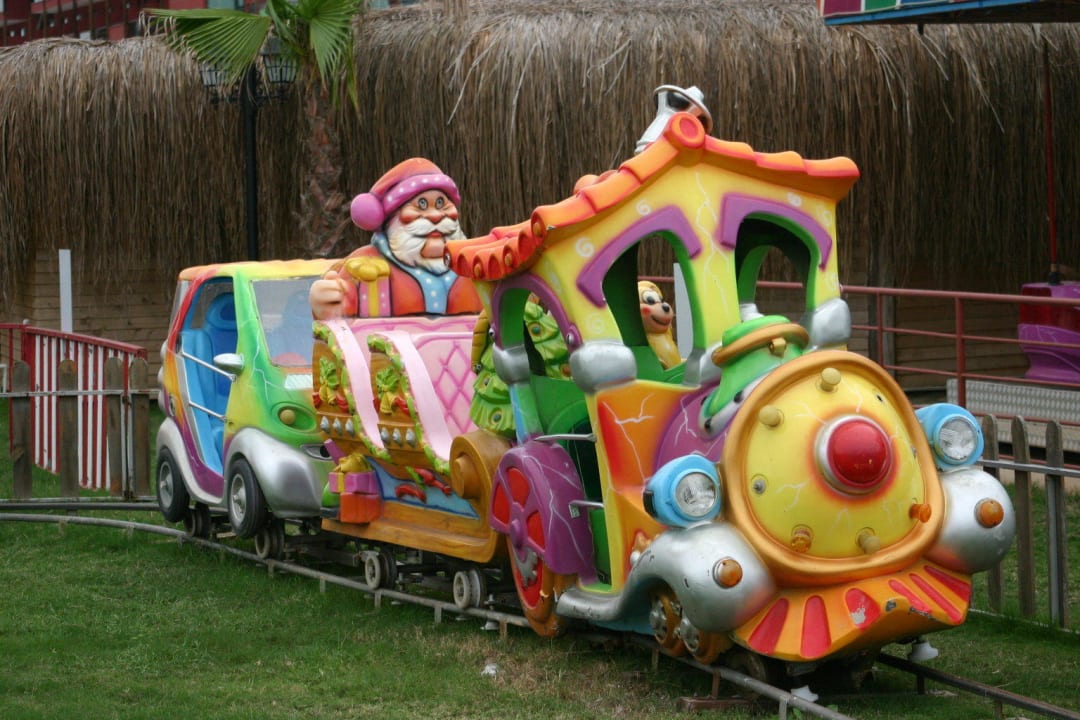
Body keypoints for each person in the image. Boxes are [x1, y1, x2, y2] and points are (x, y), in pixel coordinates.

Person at [309, 158, 482, 320]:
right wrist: (325, 300)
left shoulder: (473, 262)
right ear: (392, 219)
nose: (435, 216)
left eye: (441, 203)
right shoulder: (365, 264)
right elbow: (340, 306)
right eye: (421, 204)